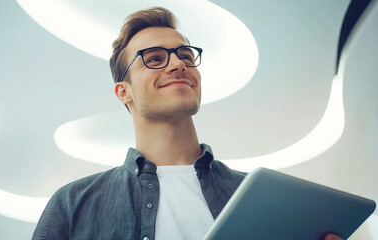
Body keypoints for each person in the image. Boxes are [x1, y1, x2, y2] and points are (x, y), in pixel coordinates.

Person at [32, 7, 343, 240]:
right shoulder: (72, 204)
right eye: (154, 58)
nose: (178, 63)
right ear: (123, 92)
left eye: (185, 55)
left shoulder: (262, 197)